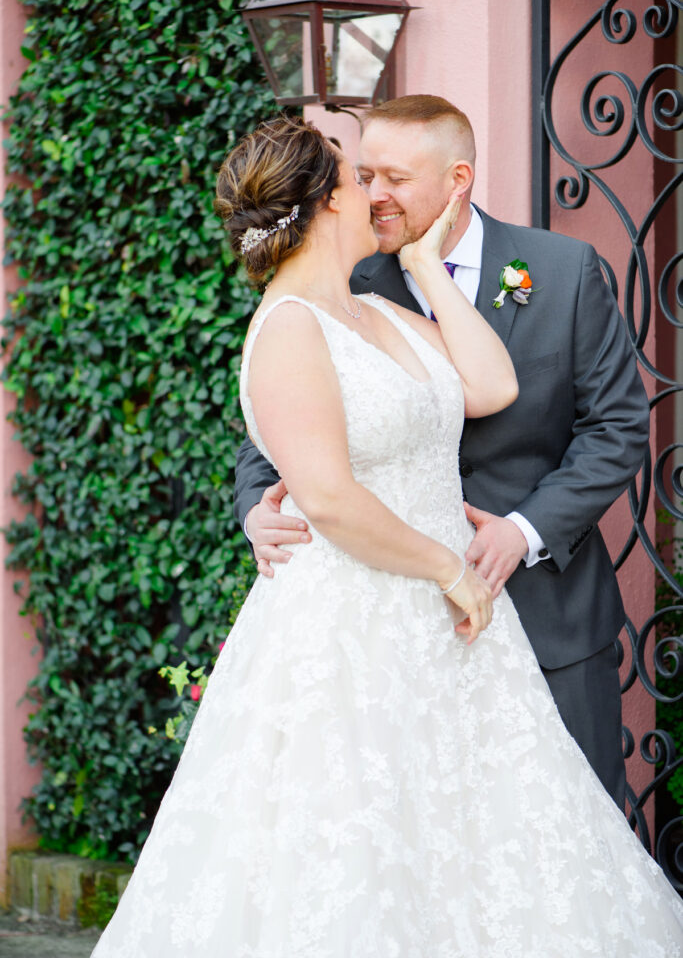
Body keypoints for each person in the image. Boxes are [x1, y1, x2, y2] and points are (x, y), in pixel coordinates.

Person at [92, 115, 682, 957]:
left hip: (453, 640)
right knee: (360, 847)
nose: (373, 192)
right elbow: (326, 495)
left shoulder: (378, 306)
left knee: (481, 846)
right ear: (328, 203)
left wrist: (418, 272)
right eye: (356, 179)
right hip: (354, 628)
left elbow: (490, 383)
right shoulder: (290, 325)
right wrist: (452, 569)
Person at [234, 95, 651, 810]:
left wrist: (520, 534)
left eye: (393, 178)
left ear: (457, 180)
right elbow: (275, 441)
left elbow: (616, 426)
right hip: (383, 625)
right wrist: (253, 512)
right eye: (363, 175)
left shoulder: (562, 270)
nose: (375, 195)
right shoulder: (343, 283)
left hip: (548, 613)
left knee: (572, 837)